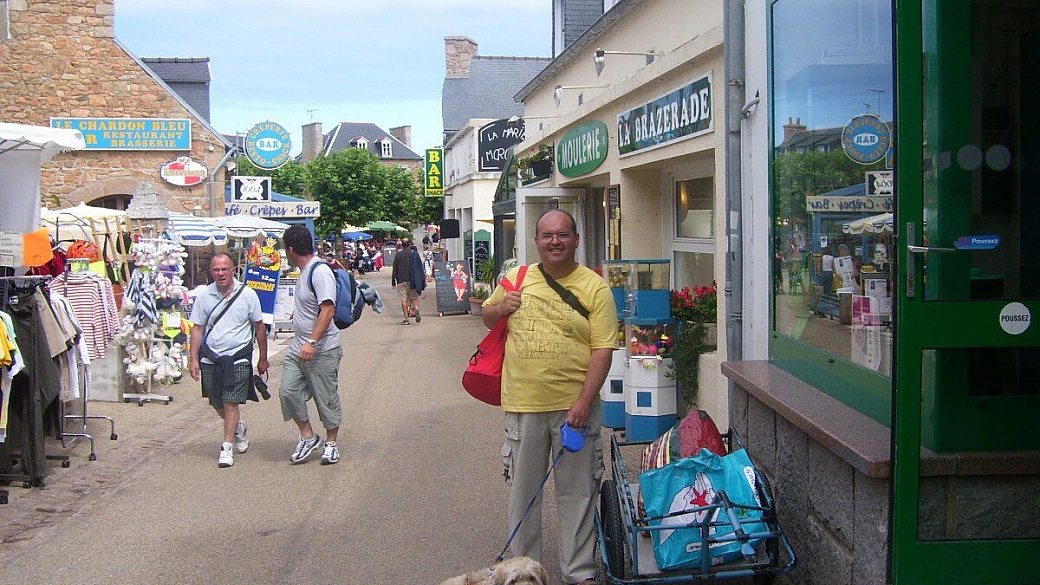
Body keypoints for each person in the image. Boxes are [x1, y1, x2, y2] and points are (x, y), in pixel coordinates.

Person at [481, 209, 617, 585]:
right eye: (547, 235)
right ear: (536, 241)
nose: (554, 241)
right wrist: (500, 308)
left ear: (576, 239)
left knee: (578, 494)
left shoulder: (594, 287)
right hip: (524, 405)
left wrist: (585, 401)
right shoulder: (517, 279)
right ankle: (523, 572)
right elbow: (487, 318)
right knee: (524, 497)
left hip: (575, 409)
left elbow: (603, 349)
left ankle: (579, 573)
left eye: (562, 235)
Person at [188, 253, 269, 469]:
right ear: (211, 272)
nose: (221, 273)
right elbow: (197, 328)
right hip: (211, 357)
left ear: (234, 269)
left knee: (230, 402)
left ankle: (226, 446)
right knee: (216, 402)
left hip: (238, 356)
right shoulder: (205, 296)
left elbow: (259, 327)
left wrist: (263, 357)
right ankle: (237, 428)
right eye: (216, 270)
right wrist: (192, 358)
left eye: (225, 269)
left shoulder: (248, 295)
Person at [278, 224, 344, 465]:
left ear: (292, 250)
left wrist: (312, 342)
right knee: (288, 391)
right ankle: (308, 436)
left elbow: (328, 309)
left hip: (322, 348)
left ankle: (331, 442)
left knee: (325, 397)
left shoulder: (319, 271)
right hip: (299, 348)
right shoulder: (303, 271)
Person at [390, 238, 417, 325]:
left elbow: (395, 268)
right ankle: (416, 309)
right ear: (409, 244)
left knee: (404, 299)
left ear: (401, 244)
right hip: (412, 279)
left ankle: (406, 318)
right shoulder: (413, 254)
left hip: (401, 280)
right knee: (413, 297)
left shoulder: (398, 254)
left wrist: (393, 280)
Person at [407, 244, 426, 322]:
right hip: (415, 280)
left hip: (406, 279)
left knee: (407, 297)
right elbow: (421, 269)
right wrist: (423, 281)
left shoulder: (407, 256)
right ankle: (416, 309)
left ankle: (409, 310)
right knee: (414, 297)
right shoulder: (416, 256)